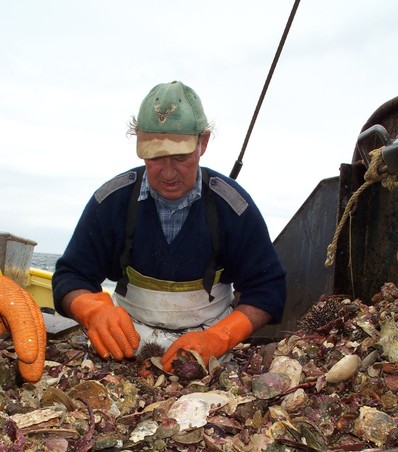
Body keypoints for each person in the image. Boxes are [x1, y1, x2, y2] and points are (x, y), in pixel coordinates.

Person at [52, 80, 286, 372]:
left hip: (208, 351)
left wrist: (219, 338)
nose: (168, 173)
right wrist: (92, 310)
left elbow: (268, 288)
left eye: (180, 157)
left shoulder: (233, 206)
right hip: (125, 344)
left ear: (203, 143)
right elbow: (70, 276)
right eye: (155, 158)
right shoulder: (111, 201)